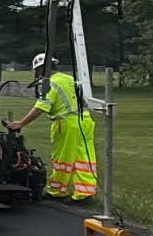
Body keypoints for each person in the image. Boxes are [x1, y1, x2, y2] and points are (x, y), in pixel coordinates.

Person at [6, 53, 98, 202]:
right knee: (84, 158)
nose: (36, 74)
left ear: (42, 68)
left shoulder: (49, 83)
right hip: (85, 120)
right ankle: (85, 194)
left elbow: (41, 107)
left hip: (66, 123)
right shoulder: (69, 79)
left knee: (62, 159)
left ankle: (57, 192)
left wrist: (21, 123)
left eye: (37, 70)